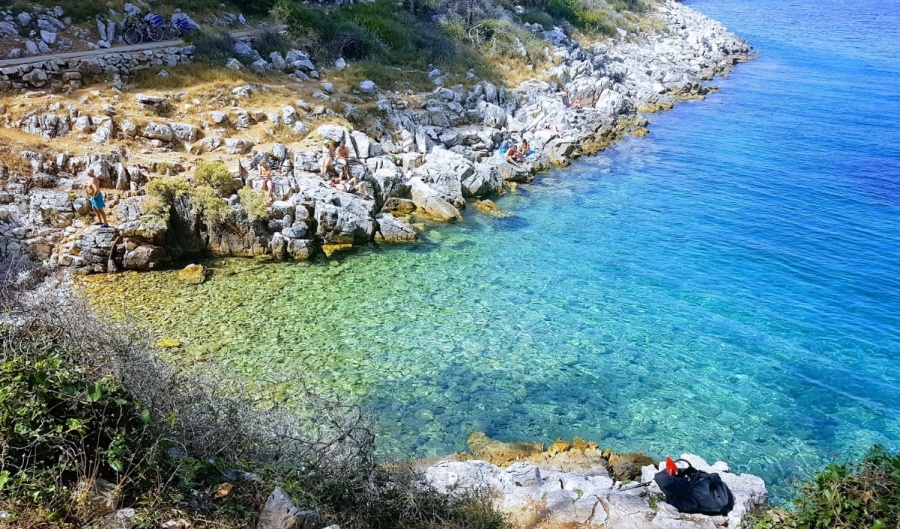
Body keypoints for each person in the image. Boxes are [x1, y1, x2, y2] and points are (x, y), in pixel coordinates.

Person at [85, 163, 108, 228]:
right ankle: (100, 221)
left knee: (100, 209)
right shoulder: (91, 178)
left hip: (96, 196)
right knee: (94, 208)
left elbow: (96, 189)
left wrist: (94, 196)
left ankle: (105, 223)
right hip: (93, 197)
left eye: (87, 172)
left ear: (89, 173)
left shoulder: (93, 179)